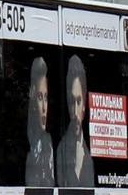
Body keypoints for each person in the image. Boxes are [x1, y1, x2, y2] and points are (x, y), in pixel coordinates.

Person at [56, 55, 95, 187]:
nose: (76, 111)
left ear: (84, 103)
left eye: (79, 101)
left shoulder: (90, 152)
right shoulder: (61, 149)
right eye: (72, 102)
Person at [24, 57, 55, 187]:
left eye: (46, 98)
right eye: (40, 97)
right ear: (31, 95)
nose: (44, 108)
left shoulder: (47, 144)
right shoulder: (25, 142)